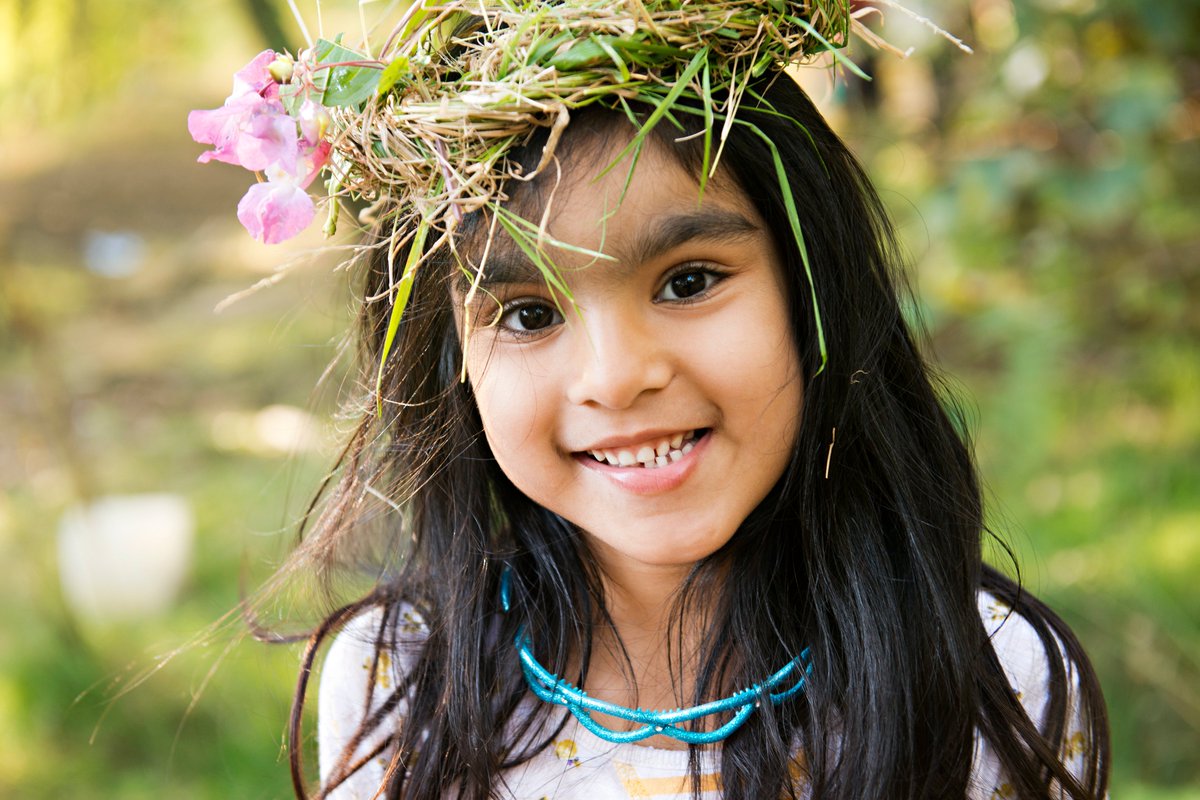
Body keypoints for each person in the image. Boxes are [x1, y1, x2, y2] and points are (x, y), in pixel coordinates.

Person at [193, 4, 1110, 798]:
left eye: (688, 281)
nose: (616, 376)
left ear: (813, 288)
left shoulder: (990, 673)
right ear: (452, 363)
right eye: (528, 313)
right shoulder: (399, 683)